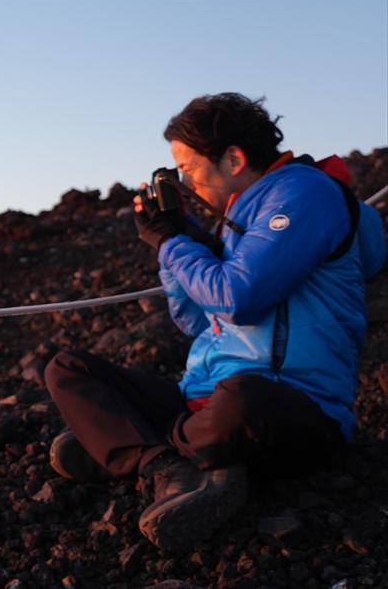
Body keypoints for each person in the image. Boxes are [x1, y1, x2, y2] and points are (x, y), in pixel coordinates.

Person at [43, 93, 386, 553]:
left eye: (187, 168)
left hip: (298, 410)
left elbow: (239, 298)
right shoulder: (233, 218)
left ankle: (132, 446)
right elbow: (192, 319)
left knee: (241, 400)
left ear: (234, 158)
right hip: (202, 403)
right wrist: (183, 237)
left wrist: (172, 244)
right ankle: (170, 460)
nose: (183, 182)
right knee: (66, 369)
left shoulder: (305, 193)